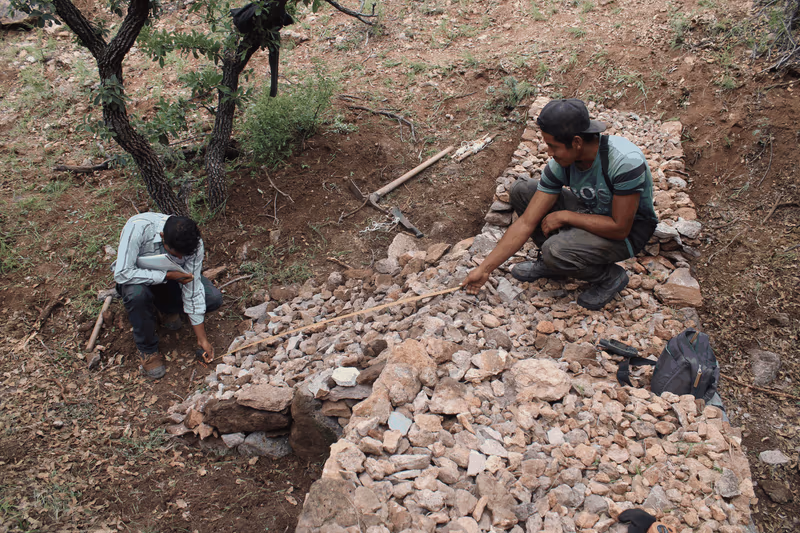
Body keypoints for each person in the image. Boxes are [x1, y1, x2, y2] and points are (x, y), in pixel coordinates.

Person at [462, 98, 658, 310]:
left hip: (627, 232)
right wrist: (485, 269)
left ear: (576, 142)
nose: (549, 153)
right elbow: (527, 221)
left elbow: (620, 228)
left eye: (552, 146)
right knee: (523, 191)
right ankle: (555, 266)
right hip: (592, 210)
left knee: (555, 250)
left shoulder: (624, 162)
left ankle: (609, 277)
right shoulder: (562, 164)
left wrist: (567, 216)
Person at [113, 213, 222, 379]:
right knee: (137, 295)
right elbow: (122, 273)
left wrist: (202, 340)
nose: (180, 258)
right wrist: (166, 276)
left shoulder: (193, 243)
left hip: (170, 282)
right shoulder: (138, 228)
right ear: (162, 236)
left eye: (183, 255)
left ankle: (164, 309)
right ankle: (148, 350)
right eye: (175, 253)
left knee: (212, 299)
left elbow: (192, 288)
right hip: (137, 280)